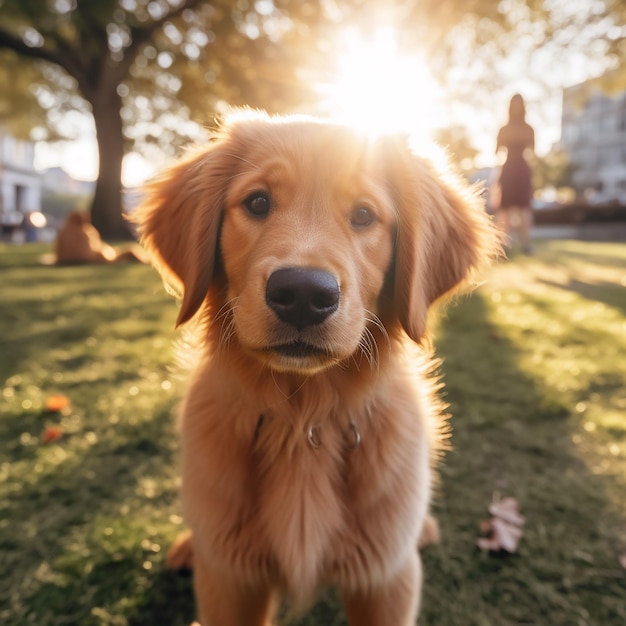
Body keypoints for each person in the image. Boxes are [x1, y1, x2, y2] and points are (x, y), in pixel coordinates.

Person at [495, 94, 535, 254]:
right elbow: (532, 152)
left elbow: (497, 152)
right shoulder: (529, 129)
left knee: (504, 209)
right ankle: (525, 245)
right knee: (523, 208)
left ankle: (503, 246)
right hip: (522, 169)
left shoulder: (504, 129)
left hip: (509, 168)